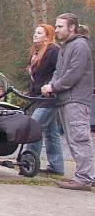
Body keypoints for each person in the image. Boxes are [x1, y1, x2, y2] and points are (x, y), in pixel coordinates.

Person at [41, 13, 94, 190]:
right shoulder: (67, 46)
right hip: (66, 99)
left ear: (72, 27)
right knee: (72, 139)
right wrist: (50, 85)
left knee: (79, 139)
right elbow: (59, 71)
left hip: (76, 100)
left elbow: (73, 74)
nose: (56, 30)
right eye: (56, 26)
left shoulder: (80, 45)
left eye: (60, 26)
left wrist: (54, 87)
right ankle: (82, 176)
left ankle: (85, 178)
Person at [24, 24, 64, 176]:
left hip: (49, 98)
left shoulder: (53, 51)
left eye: (39, 33)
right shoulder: (35, 52)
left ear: (48, 36)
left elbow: (59, 71)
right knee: (51, 132)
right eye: (34, 32)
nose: (35, 35)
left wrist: (51, 86)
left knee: (34, 127)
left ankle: (29, 162)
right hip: (38, 97)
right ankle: (57, 166)